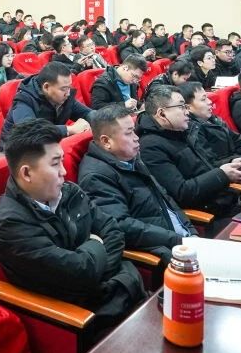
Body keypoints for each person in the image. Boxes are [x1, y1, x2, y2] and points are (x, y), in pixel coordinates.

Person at [0, 119, 145, 329]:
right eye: (55, 164)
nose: (64, 172)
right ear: (26, 173)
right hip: (84, 318)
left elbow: (113, 230)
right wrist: (96, 244)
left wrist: (96, 268)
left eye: (63, 162)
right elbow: (79, 272)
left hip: (121, 289)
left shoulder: (69, 191)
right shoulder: (12, 224)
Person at [78, 104, 196, 263]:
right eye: (129, 133)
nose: (136, 137)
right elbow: (121, 225)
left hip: (182, 241)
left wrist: (191, 231)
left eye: (134, 130)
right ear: (106, 141)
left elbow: (166, 199)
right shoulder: (96, 176)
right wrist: (178, 240)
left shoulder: (130, 159)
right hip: (164, 251)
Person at [138, 85, 241, 218]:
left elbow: (208, 165)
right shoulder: (150, 147)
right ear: (162, 114)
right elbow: (182, 193)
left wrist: (231, 163)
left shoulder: (183, 132)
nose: (187, 112)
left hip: (226, 201)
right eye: (181, 107)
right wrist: (222, 174)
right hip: (209, 215)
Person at [180, 82, 241, 194]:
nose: (210, 102)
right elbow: (209, 164)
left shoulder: (214, 119)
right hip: (233, 184)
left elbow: (240, 142)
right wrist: (235, 163)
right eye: (203, 99)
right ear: (188, 108)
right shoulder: (192, 131)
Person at [0, 61, 92, 150]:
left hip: (47, 146)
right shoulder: (24, 100)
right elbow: (30, 132)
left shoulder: (64, 98)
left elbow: (88, 114)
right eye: (64, 89)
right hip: (16, 153)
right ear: (46, 87)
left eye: (69, 87)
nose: (68, 93)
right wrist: (69, 129)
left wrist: (98, 121)